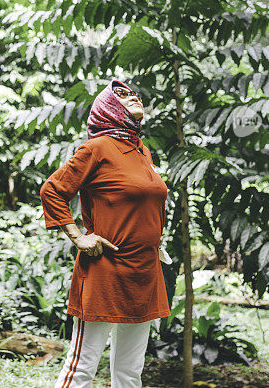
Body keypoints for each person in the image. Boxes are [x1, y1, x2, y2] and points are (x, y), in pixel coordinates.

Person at [40, 79, 170, 388]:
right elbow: (53, 190)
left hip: (144, 271)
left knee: (130, 371)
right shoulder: (97, 147)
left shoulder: (142, 151)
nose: (133, 96)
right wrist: (79, 237)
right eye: (122, 95)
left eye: (134, 93)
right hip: (106, 269)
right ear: (108, 108)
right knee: (83, 366)